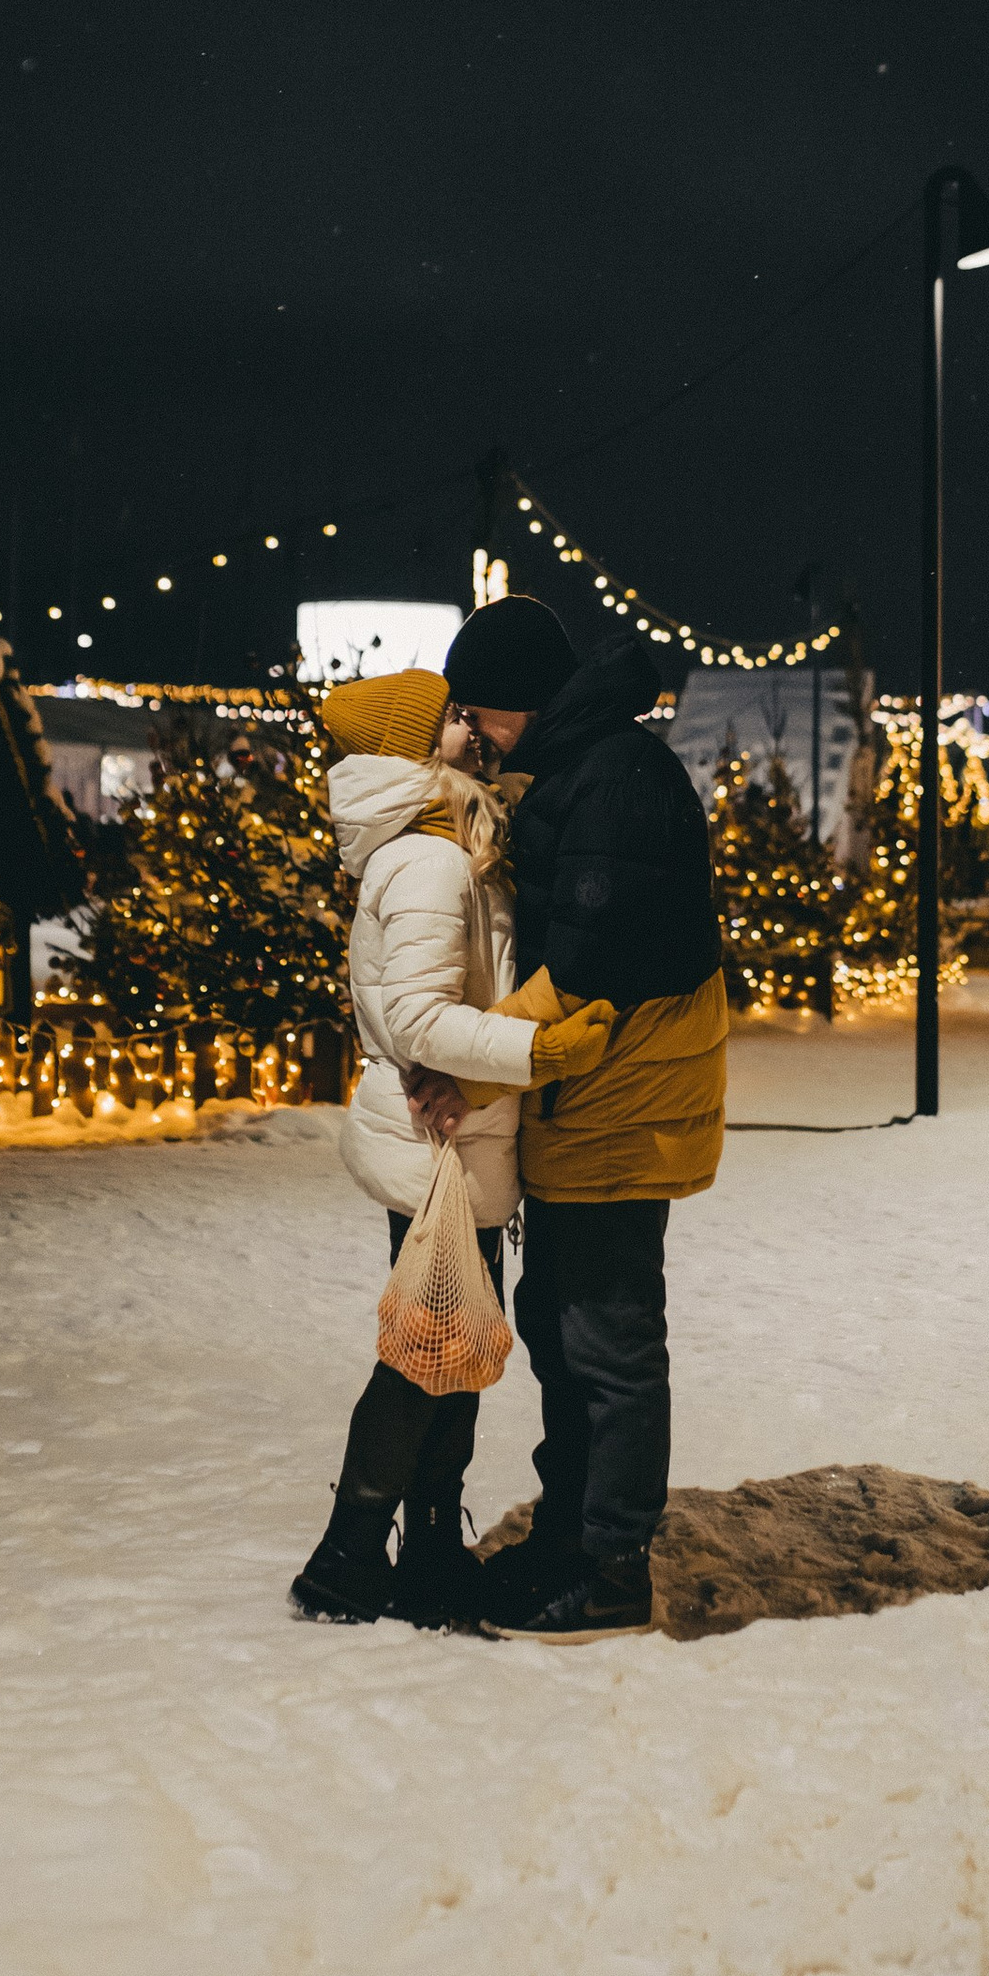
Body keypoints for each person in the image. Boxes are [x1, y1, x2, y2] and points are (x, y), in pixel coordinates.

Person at [430, 594, 728, 1645]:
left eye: (479, 710)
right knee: (564, 1328)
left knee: (605, 1340)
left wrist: (468, 1069)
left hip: (623, 1102)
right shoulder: (578, 768)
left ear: (521, 702)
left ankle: (611, 1568)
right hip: (587, 1096)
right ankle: (568, 1536)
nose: (471, 731)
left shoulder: (616, 781)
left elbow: (584, 967)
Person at [289, 665, 610, 1629]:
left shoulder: (443, 841)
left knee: (451, 1348)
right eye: (450, 717)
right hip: (439, 1142)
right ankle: (348, 1557)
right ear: (412, 746)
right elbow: (424, 1020)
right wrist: (540, 1048)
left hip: (454, 1140)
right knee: (428, 1352)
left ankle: (426, 1549)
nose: (470, 725)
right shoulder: (429, 861)